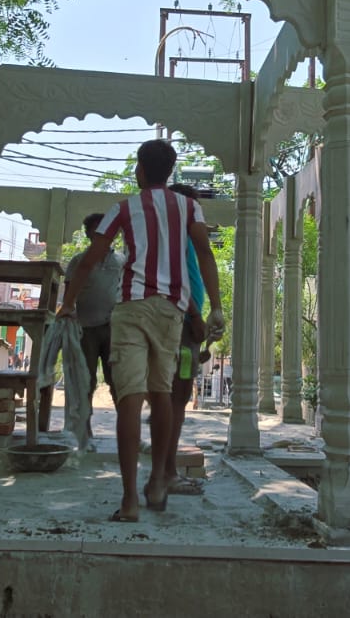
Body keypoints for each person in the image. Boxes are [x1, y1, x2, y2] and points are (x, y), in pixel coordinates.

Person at [57, 140, 224, 522]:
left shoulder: (124, 208)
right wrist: (215, 306)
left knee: (129, 399)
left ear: (140, 169)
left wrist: (67, 304)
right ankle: (158, 482)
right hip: (171, 311)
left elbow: (90, 261)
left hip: (131, 308)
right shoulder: (188, 207)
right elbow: (205, 254)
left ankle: (130, 500)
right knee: (163, 392)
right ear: (172, 169)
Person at [161, 183, 214, 495]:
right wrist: (195, 316)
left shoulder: (179, 237)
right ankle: (166, 473)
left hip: (184, 323)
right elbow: (174, 282)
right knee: (175, 398)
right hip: (180, 322)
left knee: (174, 399)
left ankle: (165, 470)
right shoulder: (174, 237)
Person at [62, 213, 126, 434]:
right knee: (84, 382)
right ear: (89, 234)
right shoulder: (79, 261)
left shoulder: (121, 260)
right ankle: (83, 432)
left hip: (114, 329)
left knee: (118, 382)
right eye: (97, 230)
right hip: (85, 329)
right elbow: (69, 292)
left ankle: (126, 433)